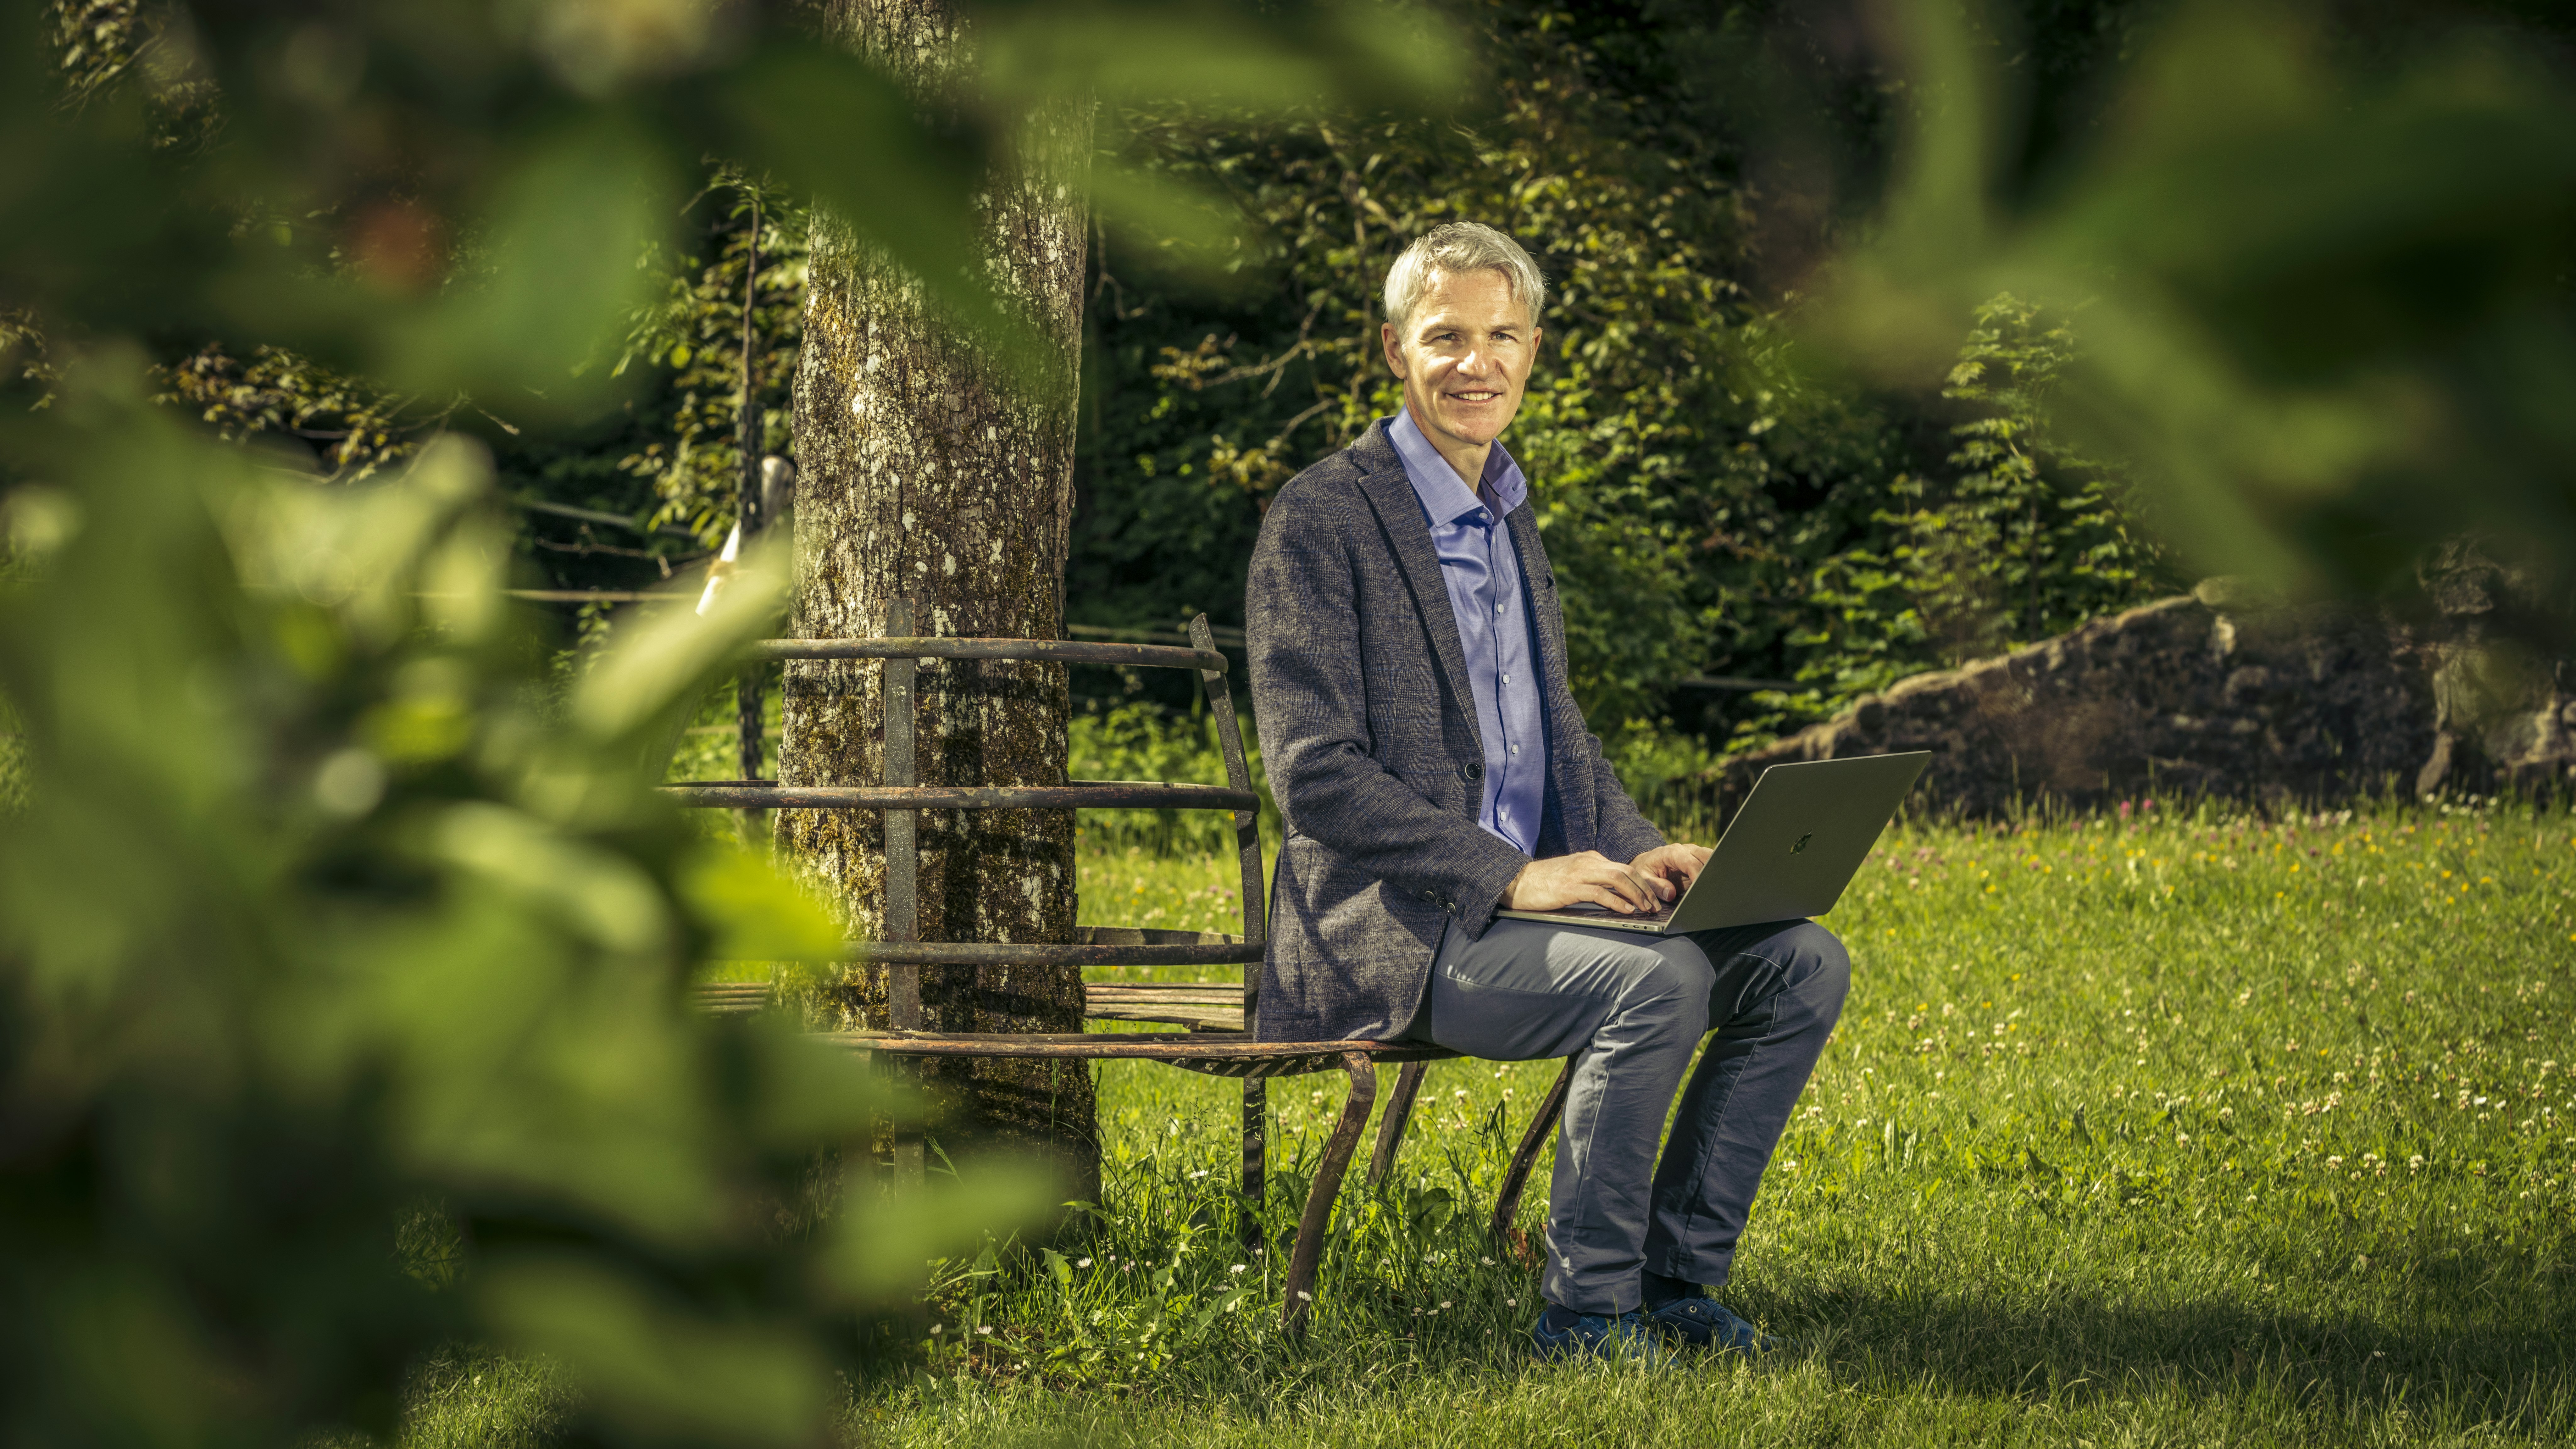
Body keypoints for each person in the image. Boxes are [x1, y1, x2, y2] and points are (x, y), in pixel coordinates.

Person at [1244, 222, 1849, 1362]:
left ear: (1533, 353)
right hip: (1392, 932)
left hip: (1528, 912)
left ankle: (1677, 1284)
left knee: (1801, 959)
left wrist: (1641, 846)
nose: (1477, 364)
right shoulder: (1322, 517)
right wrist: (1512, 876)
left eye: (1503, 338)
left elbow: (1555, 737)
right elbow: (1313, 775)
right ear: (1393, 349)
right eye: (1448, 337)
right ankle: (1586, 1311)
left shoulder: (1509, 510)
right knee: (1657, 982)